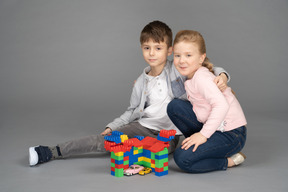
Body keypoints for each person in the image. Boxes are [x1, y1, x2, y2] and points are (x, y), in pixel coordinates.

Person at [29, 21, 230, 166]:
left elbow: (204, 66)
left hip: (168, 135)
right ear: (141, 49)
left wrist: (222, 74)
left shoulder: (177, 68)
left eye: (158, 48)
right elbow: (133, 110)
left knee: (151, 150)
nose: (152, 53)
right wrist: (112, 126)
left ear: (169, 51)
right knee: (105, 141)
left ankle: (134, 153)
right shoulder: (141, 81)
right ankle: (51, 151)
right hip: (143, 126)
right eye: (147, 48)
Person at [167, 30, 247, 173]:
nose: (181, 60)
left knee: (182, 159)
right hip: (213, 126)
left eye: (188, 55)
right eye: (177, 55)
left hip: (231, 133)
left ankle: (227, 161)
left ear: (201, 58)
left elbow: (222, 105)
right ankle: (199, 147)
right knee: (174, 106)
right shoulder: (189, 74)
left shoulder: (201, 78)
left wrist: (203, 135)